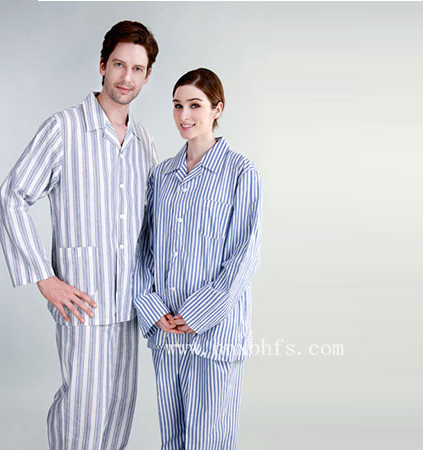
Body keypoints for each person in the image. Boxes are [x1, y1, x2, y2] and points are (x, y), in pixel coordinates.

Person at [0, 21, 159, 450]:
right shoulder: (63, 129)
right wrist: (44, 277)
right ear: (102, 65)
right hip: (82, 303)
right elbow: (11, 198)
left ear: (147, 76)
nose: (126, 77)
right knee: (82, 418)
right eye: (119, 64)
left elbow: (151, 226)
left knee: (119, 413)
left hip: (129, 306)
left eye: (137, 69)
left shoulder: (144, 142)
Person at [133, 68, 262, 449]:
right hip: (167, 331)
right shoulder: (162, 176)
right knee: (172, 440)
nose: (183, 115)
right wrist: (152, 308)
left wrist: (197, 313)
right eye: (177, 105)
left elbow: (244, 255)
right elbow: (144, 250)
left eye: (194, 105)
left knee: (209, 441)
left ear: (217, 109)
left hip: (215, 334)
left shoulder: (240, 172)